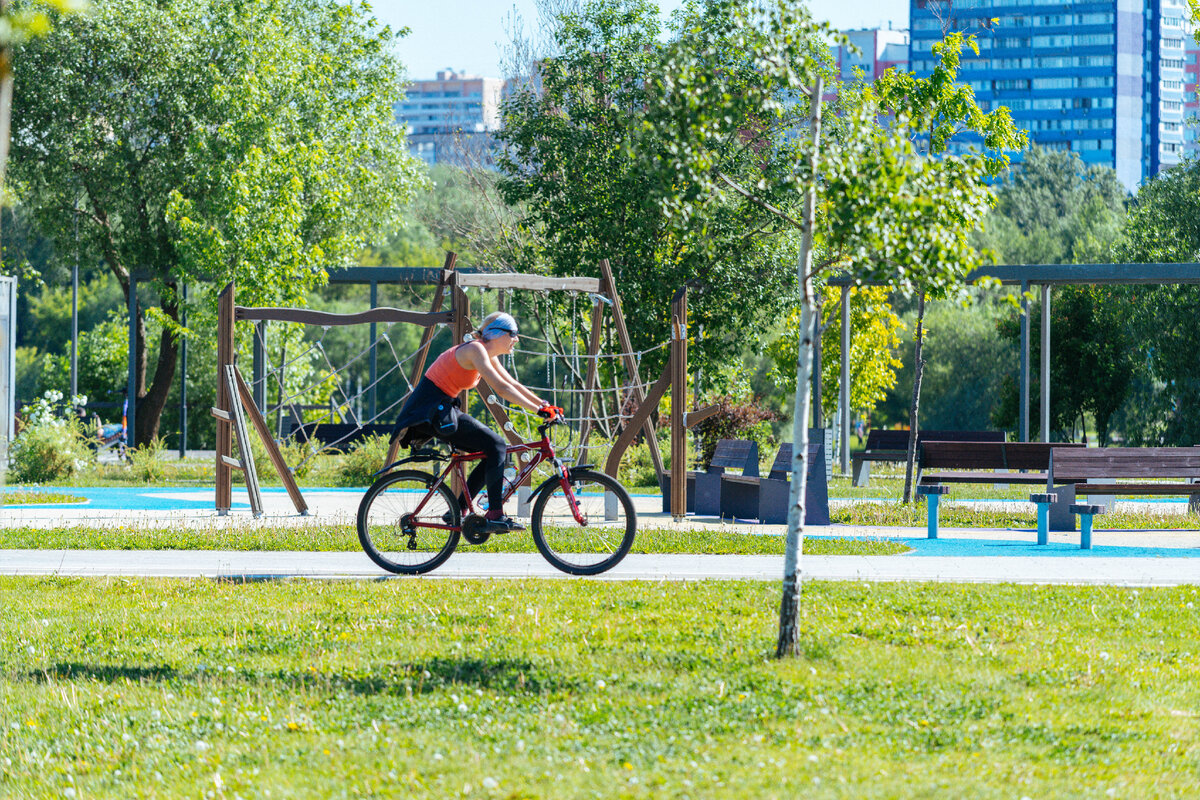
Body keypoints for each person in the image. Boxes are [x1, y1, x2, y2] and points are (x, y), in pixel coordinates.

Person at [392, 311, 560, 531]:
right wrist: (538, 410)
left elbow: (513, 384)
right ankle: (495, 514)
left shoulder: (486, 353)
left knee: (493, 449)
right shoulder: (475, 349)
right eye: (513, 333)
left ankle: (459, 509)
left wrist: (546, 405)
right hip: (430, 411)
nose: (516, 339)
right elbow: (501, 389)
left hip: (442, 409)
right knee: (497, 445)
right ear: (497, 334)